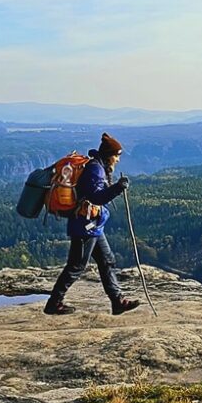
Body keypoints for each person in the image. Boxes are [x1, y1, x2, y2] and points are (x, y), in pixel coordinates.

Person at [45, 132, 141, 315]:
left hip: (94, 226)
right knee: (76, 266)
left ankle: (118, 301)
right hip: (84, 226)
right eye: (116, 156)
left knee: (107, 260)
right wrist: (118, 188)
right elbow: (95, 197)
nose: (117, 160)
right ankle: (54, 303)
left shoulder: (98, 167)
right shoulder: (95, 169)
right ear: (108, 155)